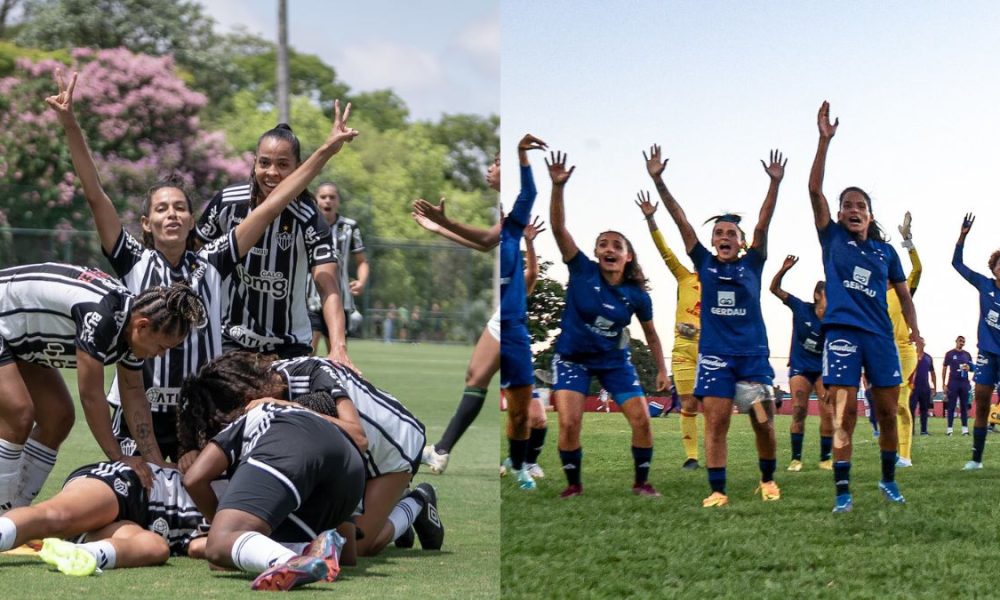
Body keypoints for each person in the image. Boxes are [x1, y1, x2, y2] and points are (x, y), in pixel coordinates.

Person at [46, 69, 360, 463]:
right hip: (138, 410)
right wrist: (70, 123)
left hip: (197, 415)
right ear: (147, 223)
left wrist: (326, 151)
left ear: (193, 221)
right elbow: (95, 193)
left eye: (180, 207)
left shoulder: (213, 263)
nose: (172, 214)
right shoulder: (132, 259)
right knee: (135, 498)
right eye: (161, 209)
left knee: (199, 506)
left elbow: (272, 205)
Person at [177, 351, 438, 563]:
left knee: (362, 545)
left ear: (248, 397)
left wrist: (290, 407)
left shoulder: (313, 372)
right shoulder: (259, 387)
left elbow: (358, 438)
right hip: (343, 460)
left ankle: (416, 503)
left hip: (393, 449)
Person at [0, 264, 206, 512]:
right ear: (142, 325)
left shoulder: (130, 324)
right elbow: (91, 395)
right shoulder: (101, 316)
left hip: (18, 337)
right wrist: (118, 457)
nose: (160, 356)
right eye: (162, 347)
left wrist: (155, 461)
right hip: (6, 322)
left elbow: (133, 392)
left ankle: (15, 514)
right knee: (19, 413)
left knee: (58, 416)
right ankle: (2, 512)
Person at [646, 143, 785, 507]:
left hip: (752, 358)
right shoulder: (704, 264)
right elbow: (682, 222)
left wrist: (775, 183)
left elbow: (763, 221)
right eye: (719, 233)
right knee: (716, 423)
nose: (724, 237)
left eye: (731, 234)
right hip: (715, 358)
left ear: (742, 243)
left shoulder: (753, 263)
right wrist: (659, 181)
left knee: (763, 422)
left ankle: (768, 480)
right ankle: (718, 490)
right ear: (713, 241)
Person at [808, 101, 921, 512]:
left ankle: (889, 480)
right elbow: (814, 191)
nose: (854, 210)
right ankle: (842, 492)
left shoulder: (885, 252)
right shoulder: (832, 239)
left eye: (861, 206)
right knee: (843, 414)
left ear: (870, 216)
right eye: (847, 205)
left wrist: (915, 329)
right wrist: (824, 141)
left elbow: (904, 295)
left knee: (889, 412)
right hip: (841, 333)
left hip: (880, 337)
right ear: (839, 214)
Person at [547, 150, 668, 499]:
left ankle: (641, 482)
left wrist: (662, 369)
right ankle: (574, 485)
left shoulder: (637, 296)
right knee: (570, 423)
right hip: (572, 359)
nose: (609, 248)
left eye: (617, 245)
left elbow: (652, 335)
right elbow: (558, 228)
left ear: (628, 256)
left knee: (642, 419)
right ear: (597, 253)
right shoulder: (582, 271)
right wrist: (558, 188)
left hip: (614, 363)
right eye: (604, 244)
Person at [196, 116, 355, 368]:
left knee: (304, 406)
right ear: (254, 164)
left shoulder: (309, 217)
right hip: (232, 339)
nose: (272, 172)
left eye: (282, 164)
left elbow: (328, 286)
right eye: (264, 163)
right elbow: (192, 258)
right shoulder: (227, 203)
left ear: (298, 169)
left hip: (289, 344)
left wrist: (338, 347)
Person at [413, 139, 528, 476]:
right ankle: (442, 451)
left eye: (496, 162)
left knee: (523, 404)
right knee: (477, 377)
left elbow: (485, 240)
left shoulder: (517, 206)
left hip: (514, 315)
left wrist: (444, 222)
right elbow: (484, 244)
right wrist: (439, 227)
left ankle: (523, 462)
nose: (490, 168)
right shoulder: (505, 209)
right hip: (504, 314)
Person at [182, 396, 366, 590]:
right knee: (244, 548)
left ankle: (289, 560)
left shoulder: (266, 413)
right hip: (352, 467)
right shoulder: (330, 431)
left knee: (220, 545)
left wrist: (222, 531)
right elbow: (348, 557)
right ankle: (305, 551)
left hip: (289, 444)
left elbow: (193, 479)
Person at [0, 460, 206, 575]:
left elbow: (199, 548)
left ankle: (79, 554)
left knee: (157, 548)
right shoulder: (229, 454)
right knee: (58, 517)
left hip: (144, 527)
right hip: (135, 485)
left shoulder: (233, 528)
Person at [634, 189, 703, 469]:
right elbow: (665, 253)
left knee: (714, 407)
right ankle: (692, 457)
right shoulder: (684, 276)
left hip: (712, 351)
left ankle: (716, 456)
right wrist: (651, 219)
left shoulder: (723, 280)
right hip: (683, 352)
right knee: (688, 406)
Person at [769, 255, 833, 472]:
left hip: (822, 369)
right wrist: (783, 269)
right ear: (817, 295)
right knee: (798, 409)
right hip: (800, 367)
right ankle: (796, 458)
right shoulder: (800, 308)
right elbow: (774, 289)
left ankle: (825, 458)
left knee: (827, 411)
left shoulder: (835, 319)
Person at [499, 214, 549, 481]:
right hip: (488, 349)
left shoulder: (516, 281)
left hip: (515, 350)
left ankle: (525, 462)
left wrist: (529, 243)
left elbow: (532, 275)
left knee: (537, 418)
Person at [952, 213, 1000, 470]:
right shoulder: (984, 284)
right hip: (987, 354)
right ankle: (976, 459)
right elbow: (957, 264)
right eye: (999, 264)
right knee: (981, 403)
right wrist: (962, 237)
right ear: (993, 268)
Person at [306, 182, 369, 354]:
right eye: (323, 197)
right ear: (316, 200)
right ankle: (307, 380)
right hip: (309, 299)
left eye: (332, 197)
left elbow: (362, 261)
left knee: (337, 353)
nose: (328, 201)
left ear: (338, 201)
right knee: (308, 350)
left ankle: (335, 381)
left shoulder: (349, 227)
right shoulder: (306, 224)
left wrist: (361, 282)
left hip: (339, 300)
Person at [885, 211, 921, 467]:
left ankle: (905, 456)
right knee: (887, 405)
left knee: (900, 401)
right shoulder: (872, 291)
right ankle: (892, 450)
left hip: (905, 351)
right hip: (882, 352)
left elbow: (918, 269)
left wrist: (908, 241)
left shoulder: (902, 290)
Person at [942, 336, 974, 435]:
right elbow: (944, 368)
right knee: (951, 406)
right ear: (956, 341)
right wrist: (943, 384)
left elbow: (972, 368)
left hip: (964, 383)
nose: (962, 343)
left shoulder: (967, 354)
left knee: (964, 406)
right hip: (953, 383)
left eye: (963, 341)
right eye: (960, 341)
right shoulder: (950, 354)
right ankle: (949, 430)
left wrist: (969, 368)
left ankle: (965, 430)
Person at [908, 342, 936, 435]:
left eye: (922, 343)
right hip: (913, 388)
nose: (921, 345)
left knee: (924, 410)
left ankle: (924, 430)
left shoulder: (928, 358)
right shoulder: (911, 356)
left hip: (925, 388)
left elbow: (932, 373)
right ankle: (911, 431)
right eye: (919, 343)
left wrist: (934, 387)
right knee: (911, 409)